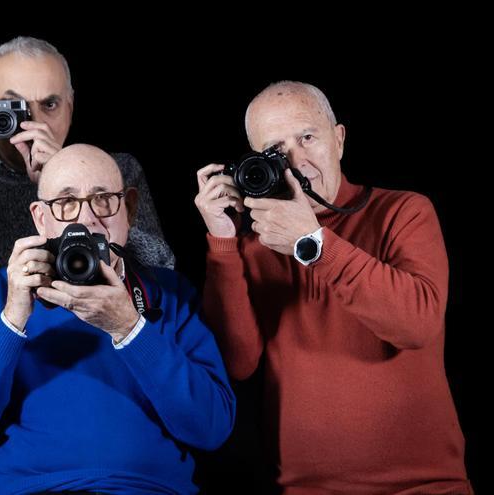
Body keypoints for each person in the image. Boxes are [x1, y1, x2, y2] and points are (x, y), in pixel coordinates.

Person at [194, 80, 471, 493]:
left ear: (338, 139)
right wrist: (222, 243)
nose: (297, 161)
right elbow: (238, 363)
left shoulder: (405, 212)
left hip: (426, 486)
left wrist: (313, 244)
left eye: (307, 137)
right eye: (276, 151)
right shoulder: (255, 248)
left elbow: (417, 325)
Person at [0, 144, 235, 494]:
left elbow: (212, 428)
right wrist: (12, 321)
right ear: (40, 218)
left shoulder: (169, 294)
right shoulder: (1, 294)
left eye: (103, 198)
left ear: (130, 209)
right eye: (66, 202)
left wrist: (129, 327)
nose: (87, 218)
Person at [0, 36, 173, 278]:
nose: (33, 122)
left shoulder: (117, 169)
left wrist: (63, 176)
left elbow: (160, 270)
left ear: (70, 105)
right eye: (14, 108)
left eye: (49, 105)